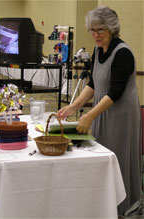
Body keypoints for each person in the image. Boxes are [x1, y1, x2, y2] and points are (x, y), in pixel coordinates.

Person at [57, 6, 142, 216]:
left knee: (117, 157)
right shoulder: (97, 50)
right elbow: (94, 83)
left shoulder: (123, 53)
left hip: (121, 115)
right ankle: (101, 203)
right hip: (102, 110)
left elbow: (115, 92)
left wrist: (89, 115)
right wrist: (74, 106)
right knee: (100, 157)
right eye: (92, 30)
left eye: (100, 30)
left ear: (111, 29)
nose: (95, 34)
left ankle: (122, 207)